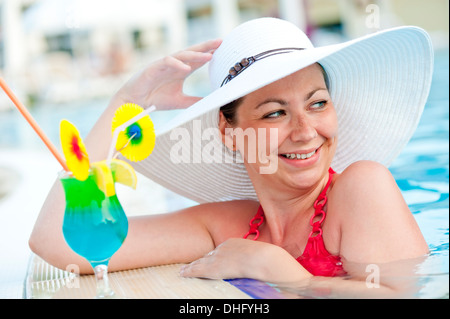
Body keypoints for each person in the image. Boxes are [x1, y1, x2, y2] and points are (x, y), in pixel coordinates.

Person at [29, 18, 433, 297]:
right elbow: (60, 244)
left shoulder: (363, 186)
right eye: (275, 112)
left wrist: (285, 275)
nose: (306, 131)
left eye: (317, 103)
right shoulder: (229, 226)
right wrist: (127, 103)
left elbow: (405, 297)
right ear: (230, 132)